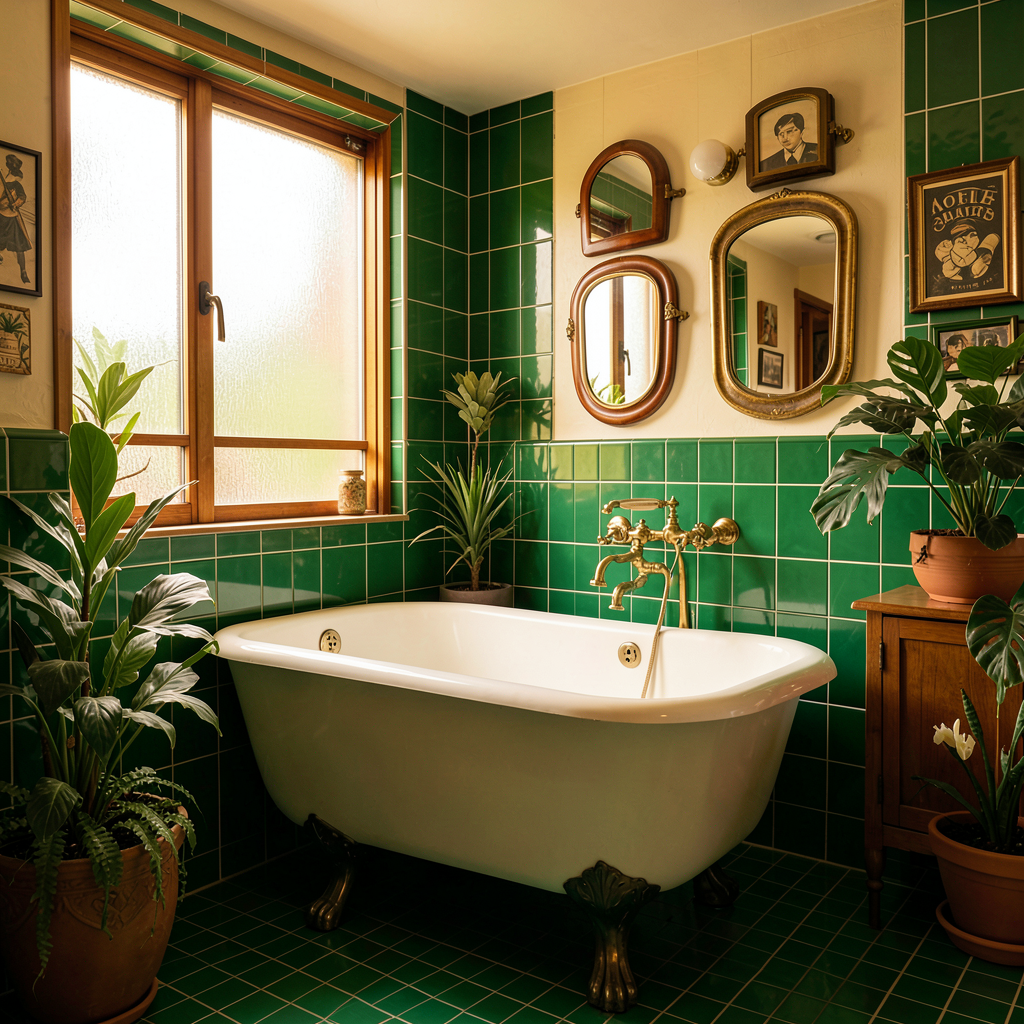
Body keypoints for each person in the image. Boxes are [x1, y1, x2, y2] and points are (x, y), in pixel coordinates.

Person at [0, 154, 32, 285]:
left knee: (20, 246)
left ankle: (23, 271)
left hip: (12, 218)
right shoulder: (3, 182)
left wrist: (15, 203)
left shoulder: (16, 185)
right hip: (1, 215)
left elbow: (22, 197)